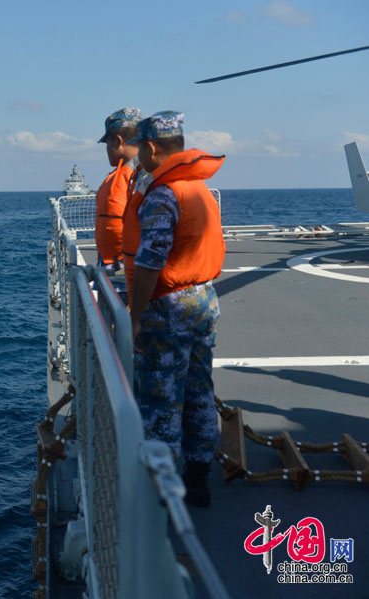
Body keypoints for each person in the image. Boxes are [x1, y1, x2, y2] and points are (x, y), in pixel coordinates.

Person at [122, 111, 226, 507]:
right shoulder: (199, 189)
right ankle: (198, 478)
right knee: (199, 388)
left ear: (150, 147)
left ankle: (160, 499)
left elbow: (150, 262)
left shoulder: (164, 194)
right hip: (204, 298)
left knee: (162, 397)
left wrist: (134, 317)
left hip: (169, 309)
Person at [95, 107, 142, 272]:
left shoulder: (140, 175)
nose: (107, 149)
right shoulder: (123, 174)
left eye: (107, 143)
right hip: (114, 263)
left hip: (125, 267)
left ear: (118, 141)